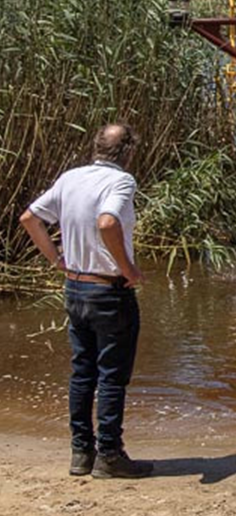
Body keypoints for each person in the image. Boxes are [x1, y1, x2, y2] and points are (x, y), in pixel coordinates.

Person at [19, 124, 153, 479]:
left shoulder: (70, 178)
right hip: (108, 290)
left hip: (75, 287)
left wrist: (56, 260)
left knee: (82, 374)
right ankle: (109, 455)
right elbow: (108, 222)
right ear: (127, 152)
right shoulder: (121, 181)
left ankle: (81, 454)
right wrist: (130, 270)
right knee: (111, 376)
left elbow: (30, 218)